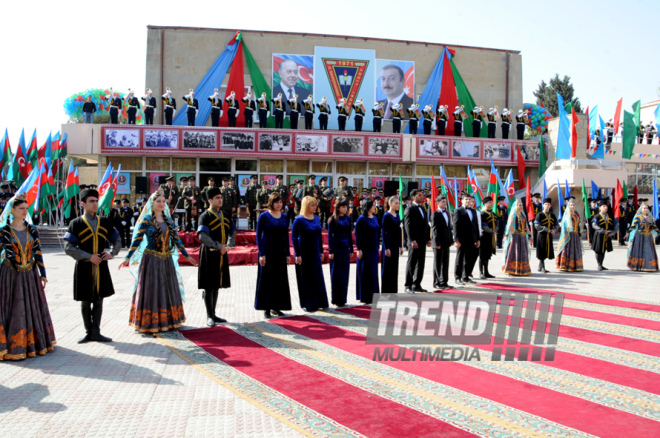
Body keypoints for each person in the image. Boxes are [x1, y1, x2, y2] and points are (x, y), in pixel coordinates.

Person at [119, 191, 197, 332]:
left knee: (167, 289)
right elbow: (136, 241)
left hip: (166, 260)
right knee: (151, 290)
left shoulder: (168, 220)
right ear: (152, 204)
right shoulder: (146, 220)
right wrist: (127, 257)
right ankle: (149, 322)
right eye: (158, 201)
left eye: (163, 201)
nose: (161, 204)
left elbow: (176, 240)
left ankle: (170, 320)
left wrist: (186, 256)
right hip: (151, 260)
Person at [0, 195, 55, 360]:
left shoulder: (32, 229)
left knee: (31, 307)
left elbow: (37, 252)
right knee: (12, 308)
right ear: (12, 210)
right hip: (10, 274)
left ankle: (33, 343)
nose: (25, 211)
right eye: (21, 208)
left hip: (30, 274)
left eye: (26, 208)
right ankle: (11, 345)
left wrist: (43, 273)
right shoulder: (3, 231)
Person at [63, 188, 121, 343]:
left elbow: (117, 239)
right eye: (91, 201)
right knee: (85, 300)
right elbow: (68, 247)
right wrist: (89, 256)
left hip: (101, 266)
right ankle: (88, 331)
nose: (95, 204)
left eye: (96, 201)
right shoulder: (76, 224)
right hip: (84, 266)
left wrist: (112, 253)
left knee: (99, 299)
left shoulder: (104, 221)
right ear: (83, 204)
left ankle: (97, 331)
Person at [253, 192, 293, 318]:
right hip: (268, 251)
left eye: (281, 202)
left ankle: (277, 306)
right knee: (267, 279)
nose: (279, 204)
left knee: (280, 279)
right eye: (276, 202)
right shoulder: (264, 216)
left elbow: (286, 236)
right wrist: (261, 253)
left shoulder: (285, 217)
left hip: (280, 251)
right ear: (271, 202)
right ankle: (266, 308)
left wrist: (287, 253)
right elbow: (258, 235)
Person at [291, 196, 328, 312]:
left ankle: (320, 301)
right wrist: (297, 253)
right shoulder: (299, 220)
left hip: (315, 252)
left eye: (315, 205)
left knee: (317, 277)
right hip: (304, 252)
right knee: (306, 278)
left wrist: (321, 251)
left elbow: (319, 236)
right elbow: (294, 237)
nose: (315, 207)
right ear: (306, 206)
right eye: (312, 205)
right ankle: (309, 303)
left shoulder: (317, 218)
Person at [328, 198, 354, 306]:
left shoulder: (348, 219)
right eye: (343, 207)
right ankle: (336, 299)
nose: (345, 209)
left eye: (346, 207)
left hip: (345, 248)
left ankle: (343, 298)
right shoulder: (333, 219)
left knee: (344, 274)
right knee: (336, 274)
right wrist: (331, 250)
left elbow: (349, 235)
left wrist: (351, 248)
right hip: (336, 248)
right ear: (338, 208)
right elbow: (329, 236)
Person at [404, 189, 431, 293]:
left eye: (422, 195)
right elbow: (408, 226)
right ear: (413, 197)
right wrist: (411, 240)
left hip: (422, 240)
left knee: (421, 263)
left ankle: (417, 284)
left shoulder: (422, 208)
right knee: (412, 263)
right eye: (419, 195)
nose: (422, 197)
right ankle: (408, 285)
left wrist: (428, 238)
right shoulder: (410, 209)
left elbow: (425, 225)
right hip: (414, 241)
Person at [355, 198, 380, 304]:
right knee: (365, 272)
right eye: (373, 205)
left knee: (373, 272)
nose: (375, 207)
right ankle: (365, 296)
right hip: (365, 248)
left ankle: (374, 295)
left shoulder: (374, 217)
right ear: (368, 207)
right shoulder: (361, 219)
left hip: (374, 248)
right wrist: (359, 249)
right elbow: (357, 235)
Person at [453, 193, 480, 285]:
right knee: (460, 258)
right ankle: (458, 277)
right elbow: (455, 226)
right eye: (466, 199)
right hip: (461, 239)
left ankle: (466, 276)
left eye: (469, 199)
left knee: (469, 258)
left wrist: (477, 239)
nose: (468, 201)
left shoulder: (473, 211)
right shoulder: (458, 211)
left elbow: (475, 226)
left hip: (471, 239)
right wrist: (456, 240)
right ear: (462, 200)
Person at [501, 199, 532, 276]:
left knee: (523, 252)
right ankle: (512, 269)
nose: (521, 206)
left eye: (522, 205)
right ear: (516, 206)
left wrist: (529, 234)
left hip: (523, 236)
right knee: (514, 252)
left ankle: (523, 268)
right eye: (519, 205)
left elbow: (526, 226)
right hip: (515, 236)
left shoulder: (523, 215)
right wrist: (507, 235)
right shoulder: (513, 215)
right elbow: (509, 226)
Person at [627, 203, 659, 271]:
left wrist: (658, 232)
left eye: (646, 208)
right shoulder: (638, 217)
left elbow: (654, 227)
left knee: (648, 250)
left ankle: (648, 266)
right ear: (641, 209)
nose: (645, 209)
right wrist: (628, 233)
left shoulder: (650, 218)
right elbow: (633, 226)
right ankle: (638, 266)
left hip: (648, 236)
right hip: (640, 236)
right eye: (644, 208)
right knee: (639, 250)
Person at [430, 196, 453, 289]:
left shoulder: (447, 213)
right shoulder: (435, 214)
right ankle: (436, 282)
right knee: (438, 263)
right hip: (438, 242)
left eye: (445, 202)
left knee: (445, 262)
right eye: (443, 202)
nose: (445, 203)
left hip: (446, 241)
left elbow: (448, 228)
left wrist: (450, 239)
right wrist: (437, 243)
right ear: (438, 203)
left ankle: (444, 281)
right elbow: (435, 229)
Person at [555, 198, 583, 272]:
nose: (572, 206)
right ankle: (567, 265)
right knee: (569, 250)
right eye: (571, 205)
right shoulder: (567, 214)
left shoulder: (576, 214)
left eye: (573, 205)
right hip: (569, 234)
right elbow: (564, 224)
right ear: (569, 206)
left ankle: (576, 266)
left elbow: (579, 225)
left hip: (576, 234)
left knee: (576, 250)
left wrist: (580, 234)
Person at [591, 200, 618, 271]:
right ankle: (599, 265)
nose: (606, 208)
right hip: (599, 235)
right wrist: (603, 231)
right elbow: (594, 225)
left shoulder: (611, 216)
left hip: (607, 236)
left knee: (603, 250)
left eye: (606, 206)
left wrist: (613, 232)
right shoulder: (597, 216)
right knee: (598, 250)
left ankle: (601, 264)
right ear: (600, 208)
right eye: (604, 206)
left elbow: (616, 225)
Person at [479, 196, 497, 279]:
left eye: (491, 202)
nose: (491, 203)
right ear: (485, 203)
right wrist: (492, 231)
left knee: (488, 255)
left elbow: (497, 224)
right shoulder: (482, 213)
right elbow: (483, 226)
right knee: (482, 255)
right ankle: (481, 272)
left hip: (491, 237)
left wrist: (495, 230)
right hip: (484, 236)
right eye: (489, 202)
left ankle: (486, 271)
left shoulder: (493, 214)